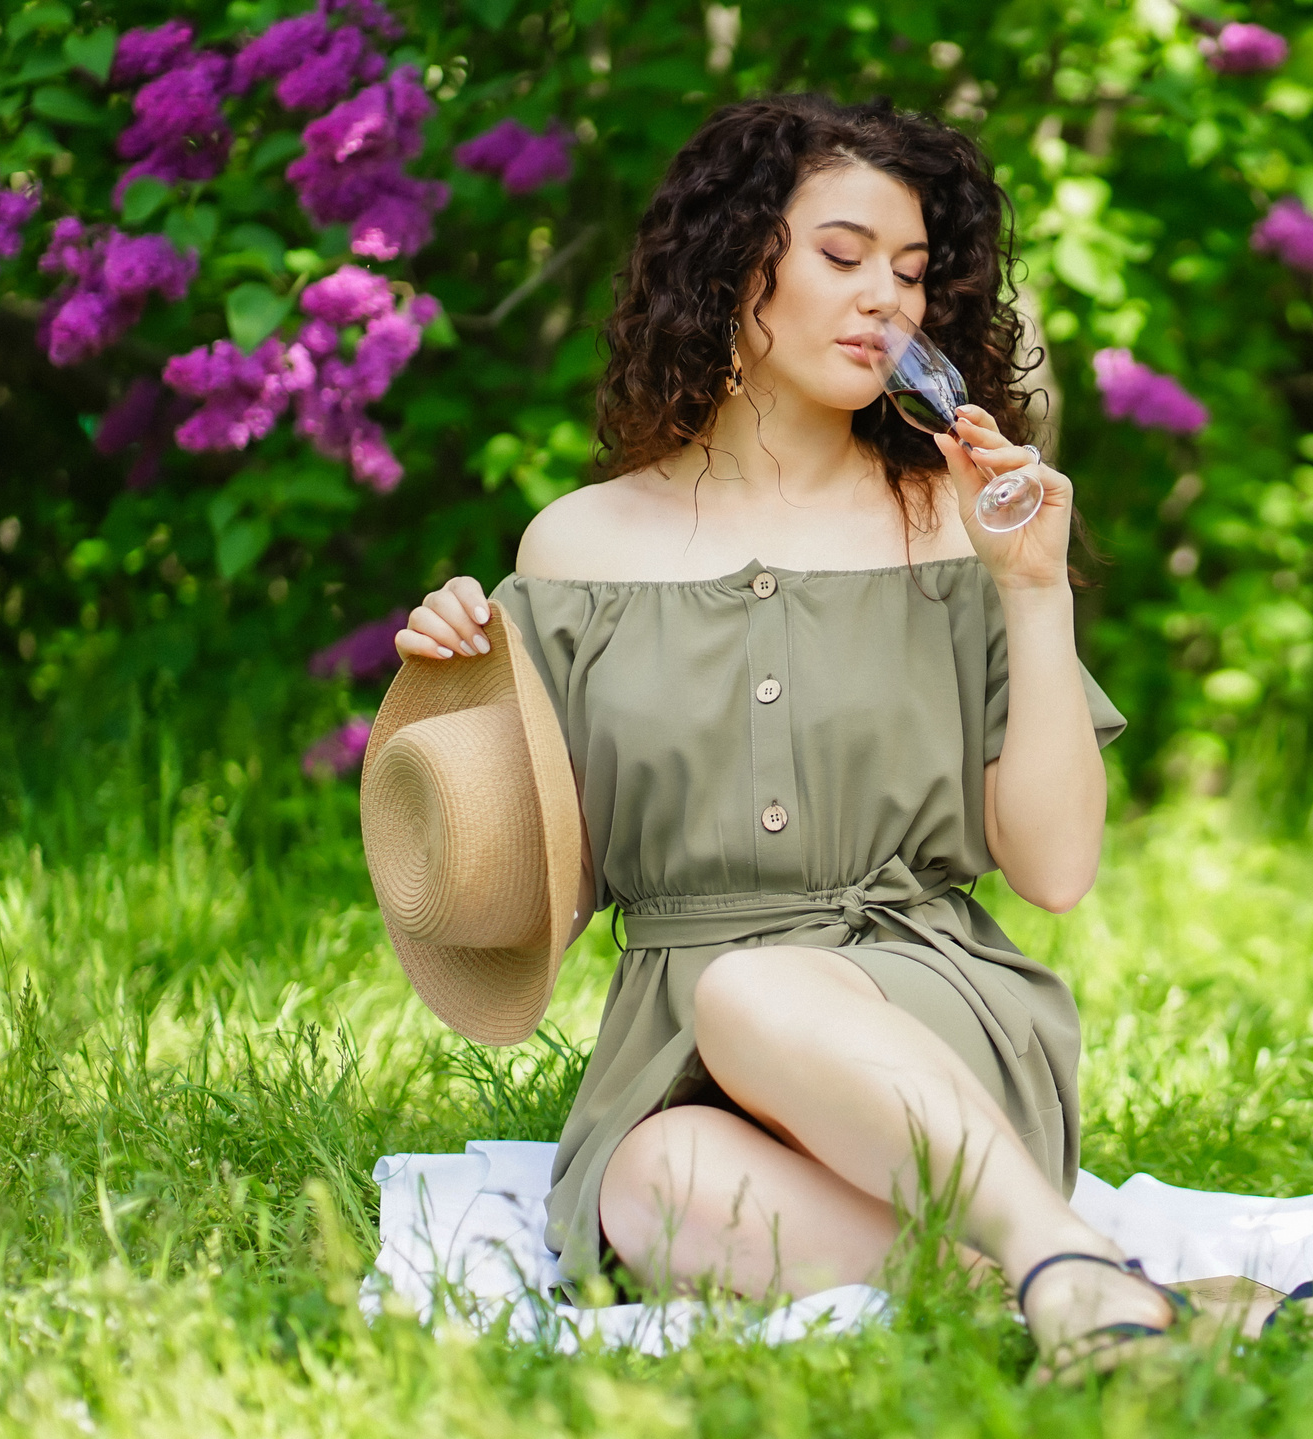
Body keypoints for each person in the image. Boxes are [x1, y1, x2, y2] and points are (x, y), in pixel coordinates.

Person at [388, 94, 1180, 1371]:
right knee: (647, 1185)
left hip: (933, 1021)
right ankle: (1074, 1281)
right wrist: (469, 708)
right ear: (731, 264)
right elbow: (558, 884)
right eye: (844, 256)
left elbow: (1054, 869)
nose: (889, 301)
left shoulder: (957, 522)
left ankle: (1044, 1243)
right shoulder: (576, 547)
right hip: (682, 1051)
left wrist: (1033, 589)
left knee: (753, 984)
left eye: (914, 274)